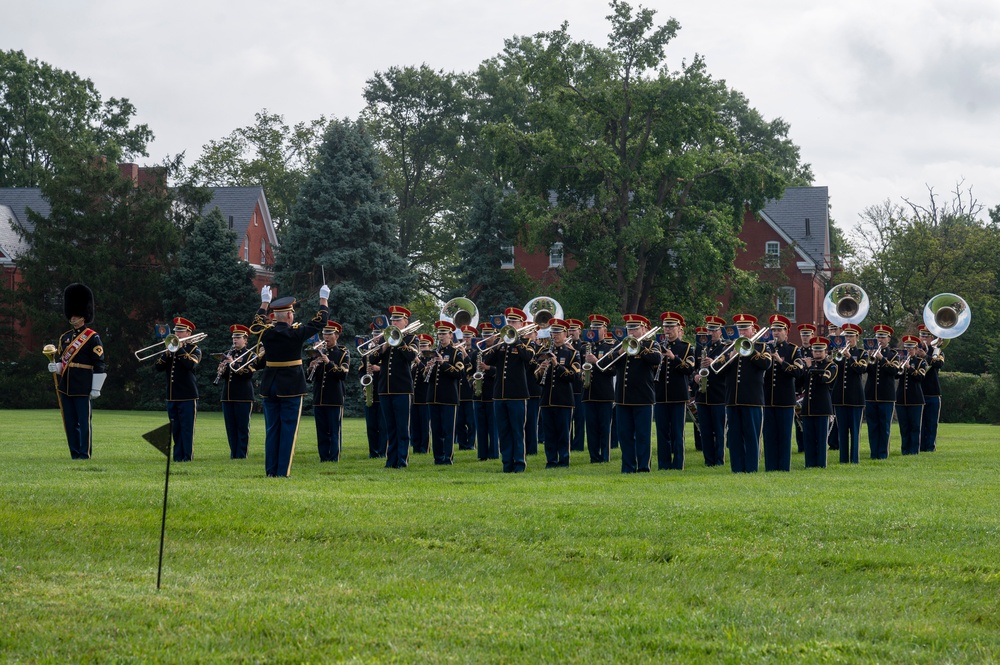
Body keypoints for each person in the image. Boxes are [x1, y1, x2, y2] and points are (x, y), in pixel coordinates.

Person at [253, 285, 330, 477]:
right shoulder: (296, 333)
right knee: (288, 429)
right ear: (289, 316)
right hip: (291, 386)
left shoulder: (267, 333)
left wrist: (264, 302)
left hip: (270, 385)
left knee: (272, 429)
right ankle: (282, 471)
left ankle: (270, 471)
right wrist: (323, 300)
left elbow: (255, 324)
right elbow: (320, 322)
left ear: (274, 317)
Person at [47, 283, 106, 460]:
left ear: (83, 315)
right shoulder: (64, 338)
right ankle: (74, 453)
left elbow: (99, 363)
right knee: (70, 422)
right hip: (66, 386)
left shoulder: (92, 337)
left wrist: (96, 388)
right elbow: (65, 364)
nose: (72, 318)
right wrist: (55, 367)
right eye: (71, 314)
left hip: (83, 385)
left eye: (76, 314)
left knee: (84, 422)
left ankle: (84, 453)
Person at [479, 306, 535, 473]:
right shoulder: (500, 343)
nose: (510, 323)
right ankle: (506, 464)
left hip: (517, 394)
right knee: (503, 431)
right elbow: (487, 359)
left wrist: (516, 340)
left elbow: (529, 358)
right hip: (499, 394)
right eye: (509, 321)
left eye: (513, 322)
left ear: (521, 324)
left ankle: (519, 463)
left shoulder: (526, 343)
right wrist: (497, 344)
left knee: (517, 431)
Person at [712, 314, 768, 473]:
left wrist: (748, 351)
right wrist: (729, 358)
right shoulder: (728, 348)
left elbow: (766, 364)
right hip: (732, 399)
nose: (742, 331)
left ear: (753, 329)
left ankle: (751, 468)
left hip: (752, 399)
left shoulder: (761, 347)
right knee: (734, 436)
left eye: (745, 328)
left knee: (751, 435)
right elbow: (717, 370)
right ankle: (737, 468)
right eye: (739, 328)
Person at [369, 305, 419, 469]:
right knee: (390, 427)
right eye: (393, 320)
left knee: (402, 428)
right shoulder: (384, 338)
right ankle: (391, 460)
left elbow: (411, 356)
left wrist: (399, 340)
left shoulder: (412, 339)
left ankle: (402, 460)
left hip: (402, 388)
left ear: (406, 321)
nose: (394, 323)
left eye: (397, 320)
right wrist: (384, 346)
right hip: (385, 388)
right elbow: (372, 360)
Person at [614, 314, 659, 473]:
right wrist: (619, 352)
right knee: (624, 435)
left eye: (635, 328)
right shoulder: (621, 345)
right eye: (629, 328)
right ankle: (627, 466)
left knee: (642, 435)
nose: (631, 331)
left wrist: (640, 348)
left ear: (644, 329)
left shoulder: (651, 344)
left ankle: (643, 466)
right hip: (623, 398)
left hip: (643, 398)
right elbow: (608, 365)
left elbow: (656, 359)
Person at [155, 316, 202, 462]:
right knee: (175, 429)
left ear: (188, 333)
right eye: (176, 331)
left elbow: (190, 365)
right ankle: (177, 457)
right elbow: (158, 367)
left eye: (180, 332)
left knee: (187, 430)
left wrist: (180, 350)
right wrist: (166, 354)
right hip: (172, 395)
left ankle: (187, 457)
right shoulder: (170, 348)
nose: (177, 334)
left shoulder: (195, 349)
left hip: (188, 396)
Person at [536, 318, 580, 467]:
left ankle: (564, 460)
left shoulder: (572, 354)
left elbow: (574, 377)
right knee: (549, 433)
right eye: (552, 332)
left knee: (563, 433)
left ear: (565, 333)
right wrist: (541, 370)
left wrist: (557, 365)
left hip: (564, 400)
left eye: (557, 332)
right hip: (547, 399)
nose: (554, 335)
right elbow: (536, 378)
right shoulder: (545, 353)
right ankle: (551, 460)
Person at [761, 314, 803, 472]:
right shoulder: (765, 348)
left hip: (785, 400)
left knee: (784, 437)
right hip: (767, 399)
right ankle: (770, 467)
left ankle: (784, 467)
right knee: (769, 436)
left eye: (779, 330)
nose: (775, 333)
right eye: (773, 330)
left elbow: (799, 371)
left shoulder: (793, 350)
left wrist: (780, 361)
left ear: (787, 332)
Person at [653, 312, 694, 470]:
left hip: (678, 396)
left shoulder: (686, 348)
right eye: (665, 327)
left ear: (679, 328)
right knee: (662, 433)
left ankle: (678, 464)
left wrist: (674, 358)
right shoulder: (657, 347)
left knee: (677, 433)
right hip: (661, 395)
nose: (667, 330)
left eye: (671, 327)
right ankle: (663, 465)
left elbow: (689, 369)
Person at [426, 320, 465, 465]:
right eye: (439, 334)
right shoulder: (434, 352)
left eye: (444, 333)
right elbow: (427, 378)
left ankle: (448, 458)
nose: (441, 336)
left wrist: (443, 364)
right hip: (433, 396)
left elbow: (459, 373)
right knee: (435, 430)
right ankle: (438, 457)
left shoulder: (456, 352)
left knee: (448, 430)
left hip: (448, 397)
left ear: (450, 335)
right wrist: (428, 367)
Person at [310, 321, 350, 462]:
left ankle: (333, 457)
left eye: (329, 334)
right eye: (324, 334)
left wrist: (328, 362)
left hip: (334, 397)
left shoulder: (343, 353)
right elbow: (310, 379)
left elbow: (342, 374)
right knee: (321, 430)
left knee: (334, 430)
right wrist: (312, 366)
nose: (326, 337)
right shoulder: (317, 352)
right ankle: (323, 457)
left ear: (336, 336)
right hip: (319, 397)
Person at [218, 324, 257, 459]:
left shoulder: (251, 354)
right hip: (228, 395)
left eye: (238, 337)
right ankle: (233, 453)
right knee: (230, 428)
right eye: (233, 337)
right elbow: (225, 376)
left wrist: (233, 363)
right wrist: (221, 369)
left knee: (242, 427)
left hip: (243, 396)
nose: (235, 340)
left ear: (245, 339)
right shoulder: (229, 354)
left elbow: (248, 374)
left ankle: (241, 454)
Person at [832, 322, 868, 464]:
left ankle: (854, 459)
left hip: (855, 397)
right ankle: (843, 459)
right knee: (842, 431)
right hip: (840, 397)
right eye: (846, 335)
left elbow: (862, 369)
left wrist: (849, 357)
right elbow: (833, 368)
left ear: (857, 337)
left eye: (851, 336)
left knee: (854, 431)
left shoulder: (862, 353)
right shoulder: (838, 352)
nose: (848, 338)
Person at [799, 336, 837, 468]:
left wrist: (809, 368)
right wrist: (802, 369)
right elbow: (800, 383)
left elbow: (824, 380)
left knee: (821, 439)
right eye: (815, 351)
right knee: (808, 438)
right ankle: (809, 464)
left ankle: (821, 464)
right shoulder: (809, 365)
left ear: (826, 352)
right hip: (808, 407)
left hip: (822, 407)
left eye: (820, 351)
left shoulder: (831, 365)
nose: (817, 353)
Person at [694, 316, 727, 467]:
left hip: (718, 395)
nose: (711, 333)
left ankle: (719, 460)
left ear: (721, 332)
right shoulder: (701, 348)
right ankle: (708, 460)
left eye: (714, 330)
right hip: (702, 395)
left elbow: (727, 370)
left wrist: (713, 363)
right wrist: (695, 376)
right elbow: (693, 368)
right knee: (705, 431)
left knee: (719, 432)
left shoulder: (726, 348)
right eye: (709, 330)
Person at [583, 314, 616, 464]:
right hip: (588, 393)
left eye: (598, 327)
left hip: (604, 393)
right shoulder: (585, 347)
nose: (594, 330)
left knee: (604, 427)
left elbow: (613, 371)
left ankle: (605, 455)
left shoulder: (610, 347)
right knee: (591, 428)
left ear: (604, 330)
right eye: (592, 327)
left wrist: (596, 362)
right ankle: (593, 456)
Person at [865, 324, 897, 460]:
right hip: (871, 395)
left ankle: (883, 454)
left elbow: (894, 371)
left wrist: (882, 359)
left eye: (883, 337)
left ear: (888, 339)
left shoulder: (893, 354)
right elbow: (865, 370)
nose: (880, 340)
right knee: (872, 427)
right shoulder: (870, 353)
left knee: (884, 427)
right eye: (878, 337)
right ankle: (874, 453)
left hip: (886, 396)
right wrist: (867, 358)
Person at [895, 335, 928, 456]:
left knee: (915, 426)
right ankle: (904, 450)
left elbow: (920, 377)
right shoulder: (901, 361)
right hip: (901, 399)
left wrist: (909, 368)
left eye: (911, 348)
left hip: (915, 399)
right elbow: (895, 376)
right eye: (907, 348)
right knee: (904, 426)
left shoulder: (921, 362)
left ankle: (914, 450)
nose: (909, 350)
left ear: (916, 348)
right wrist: (900, 366)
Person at [359, 324, 387, 458]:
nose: (375, 337)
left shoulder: (386, 350)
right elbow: (361, 370)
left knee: (383, 425)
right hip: (370, 391)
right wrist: (364, 381)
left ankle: (382, 451)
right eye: (374, 334)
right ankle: (373, 451)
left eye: (378, 334)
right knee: (371, 426)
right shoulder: (367, 352)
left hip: (382, 390)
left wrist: (379, 369)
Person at [916, 324, 945, 452]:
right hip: (918, 391)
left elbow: (938, 364)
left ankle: (930, 447)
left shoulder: (937, 351)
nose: (923, 338)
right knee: (919, 422)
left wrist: (926, 357)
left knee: (932, 422)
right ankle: (920, 446)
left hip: (933, 392)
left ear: (931, 337)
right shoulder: (914, 351)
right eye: (921, 335)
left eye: (926, 336)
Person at [474, 321, 499, 461]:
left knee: (493, 426)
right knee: (481, 426)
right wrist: (473, 380)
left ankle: (494, 453)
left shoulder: (497, 351)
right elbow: (469, 371)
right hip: (479, 393)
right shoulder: (478, 352)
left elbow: (500, 371)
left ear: (495, 336)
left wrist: (488, 368)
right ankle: (482, 454)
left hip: (492, 392)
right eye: (484, 334)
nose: (486, 337)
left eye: (489, 334)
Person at [793, 323, 817, 453]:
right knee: (798, 420)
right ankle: (801, 445)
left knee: (811, 418)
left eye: (807, 335)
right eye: (803, 335)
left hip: (812, 389)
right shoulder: (797, 351)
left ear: (812, 335)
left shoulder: (816, 350)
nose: (805, 337)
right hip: (799, 388)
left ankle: (811, 444)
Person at [454, 325, 479, 451]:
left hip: (470, 391)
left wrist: (464, 354)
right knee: (459, 422)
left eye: (468, 336)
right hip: (459, 391)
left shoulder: (475, 352)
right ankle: (462, 444)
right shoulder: (457, 352)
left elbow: (472, 369)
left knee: (471, 421)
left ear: (473, 338)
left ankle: (471, 444)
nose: (466, 338)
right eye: (464, 336)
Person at [565, 318, 587, 453]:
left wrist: (573, 350)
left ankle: (578, 445)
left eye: (574, 329)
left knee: (579, 418)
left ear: (579, 331)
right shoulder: (562, 346)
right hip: (567, 386)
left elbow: (585, 363)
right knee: (568, 419)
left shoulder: (583, 346)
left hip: (579, 387)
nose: (571, 332)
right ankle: (567, 443)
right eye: (569, 330)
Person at [410, 334, 433, 455]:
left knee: (425, 425)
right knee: (415, 425)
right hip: (414, 398)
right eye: (420, 346)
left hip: (424, 396)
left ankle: (425, 448)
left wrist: (418, 361)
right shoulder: (415, 360)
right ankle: (416, 447)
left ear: (430, 346)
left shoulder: (430, 359)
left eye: (424, 345)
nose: (422, 348)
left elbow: (426, 373)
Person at [825, 320, 841, 451]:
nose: (832, 332)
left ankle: (837, 441)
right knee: (829, 415)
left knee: (837, 416)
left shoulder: (842, 345)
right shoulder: (826, 344)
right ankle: (831, 441)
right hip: (827, 385)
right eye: (830, 329)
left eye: (834, 328)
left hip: (839, 385)